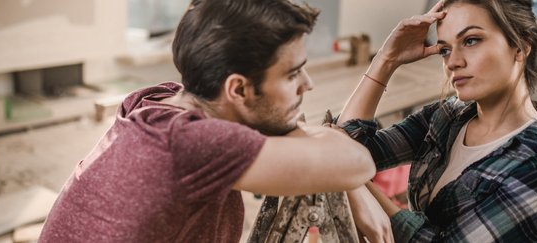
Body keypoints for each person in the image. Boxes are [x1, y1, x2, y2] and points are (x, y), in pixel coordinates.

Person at [38, 0, 376, 242]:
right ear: (238, 88)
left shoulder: (156, 101)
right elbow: (359, 162)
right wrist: (336, 162)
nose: (308, 83)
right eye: (292, 75)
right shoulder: (198, 144)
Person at [339, 0, 537, 242]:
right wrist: (386, 60)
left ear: (520, 45)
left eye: (471, 40)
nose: (453, 62)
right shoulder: (446, 116)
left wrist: (355, 186)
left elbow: (336, 162)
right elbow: (346, 148)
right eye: (445, 49)